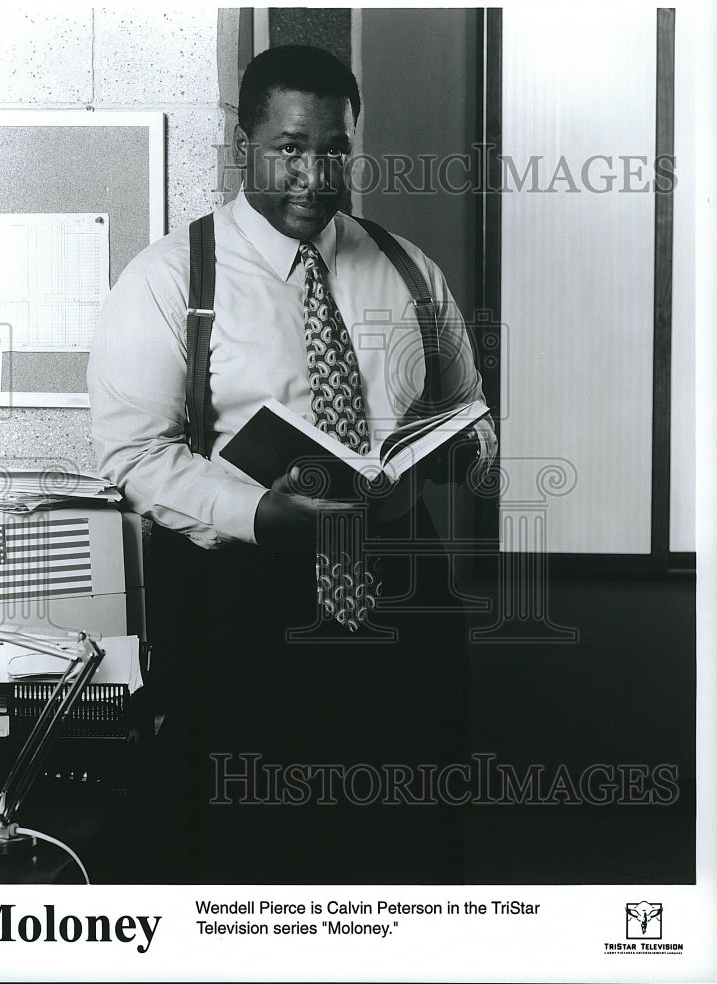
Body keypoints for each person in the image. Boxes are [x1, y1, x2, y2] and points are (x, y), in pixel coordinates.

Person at [87, 44, 497, 885]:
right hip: (240, 593)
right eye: (290, 148)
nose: (314, 174)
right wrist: (254, 515)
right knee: (250, 838)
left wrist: (468, 454)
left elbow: (468, 410)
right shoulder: (171, 278)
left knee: (406, 828)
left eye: (335, 150)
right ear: (244, 146)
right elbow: (133, 452)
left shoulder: (407, 269)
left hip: (397, 583)